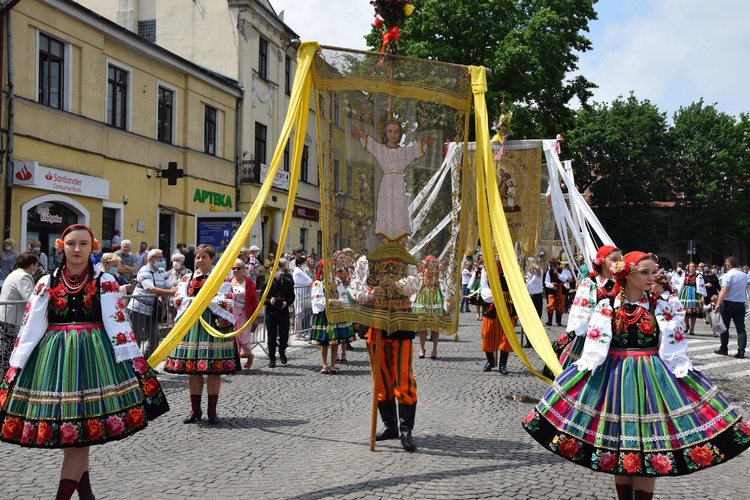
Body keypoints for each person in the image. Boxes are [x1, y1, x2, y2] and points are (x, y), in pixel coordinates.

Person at [522, 251, 750, 500]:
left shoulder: (659, 305)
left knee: (650, 443)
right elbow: (595, 349)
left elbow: (674, 347)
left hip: (652, 375)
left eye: (653, 272)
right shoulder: (607, 306)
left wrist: (685, 373)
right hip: (615, 376)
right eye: (645, 272)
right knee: (621, 444)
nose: (652, 277)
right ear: (627, 274)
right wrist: (579, 374)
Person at [0, 224, 168, 499]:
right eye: (71, 244)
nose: (77, 249)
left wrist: (134, 364)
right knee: (74, 435)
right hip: (55, 361)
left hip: (95, 360)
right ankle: (86, 495)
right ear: (61, 247)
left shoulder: (104, 281)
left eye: (83, 244)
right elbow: (31, 326)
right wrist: (17, 364)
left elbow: (118, 325)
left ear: (93, 248)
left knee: (79, 435)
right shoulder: (47, 282)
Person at [348, 246, 422, 451]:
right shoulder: (366, 260)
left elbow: (417, 284)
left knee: (403, 376)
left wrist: (398, 285)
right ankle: (390, 426)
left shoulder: (407, 259)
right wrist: (370, 292)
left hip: (401, 322)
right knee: (380, 378)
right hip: (375, 322)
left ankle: (406, 430)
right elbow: (354, 287)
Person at [163, 244, 239, 425]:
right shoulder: (187, 278)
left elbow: (227, 300)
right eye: (198, 257)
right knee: (193, 369)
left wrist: (204, 302)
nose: (200, 260)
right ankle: (194, 409)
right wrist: (191, 301)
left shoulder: (221, 278)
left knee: (214, 369)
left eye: (204, 257)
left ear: (213, 259)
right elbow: (178, 298)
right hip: (192, 325)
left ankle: (212, 410)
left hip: (213, 326)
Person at [351, 120, 436, 242]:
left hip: (399, 184)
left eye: (396, 131)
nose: (393, 134)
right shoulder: (382, 150)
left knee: (399, 208)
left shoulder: (403, 152)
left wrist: (424, 142)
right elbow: (372, 145)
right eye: (390, 131)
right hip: (386, 183)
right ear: (385, 133)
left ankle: (399, 238)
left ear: (400, 134)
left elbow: (414, 150)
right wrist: (362, 134)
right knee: (387, 208)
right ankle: (386, 238)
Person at [554, 246, 622, 369]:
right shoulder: (590, 283)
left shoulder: (622, 284)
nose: (618, 263)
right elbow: (581, 313)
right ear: (601, 261)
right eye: (614, 259)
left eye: (619, 259)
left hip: (617, 335)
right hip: (591, 336)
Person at [127, 249, 176, 359]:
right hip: (137, 308)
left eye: (162, 257)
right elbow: (152, 289)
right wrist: (172, 292)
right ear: (151, 259)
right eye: (159, 257)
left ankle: (146, 364)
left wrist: (176, 288)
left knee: (155, 337)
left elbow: (169, 285)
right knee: (136, 338)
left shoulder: (162, 271)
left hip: (152, 309)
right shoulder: (144, 271)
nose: (162, 259)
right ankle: (134, 365)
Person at [309, 259, 355, 374]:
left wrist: (341, 303)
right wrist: (331, 301)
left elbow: (343, 296)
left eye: (330, 267)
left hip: (336, 313)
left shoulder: (337, 281)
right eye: (327, 267)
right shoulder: (318, 283)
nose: (329, 269)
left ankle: (333, 365)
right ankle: (325, 364)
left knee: (335, 341)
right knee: (324, 341)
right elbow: (317, 300)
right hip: (324, 314)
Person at [0, 252, 37, 375]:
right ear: (31, 265)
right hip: (11, 319)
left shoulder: (14, 274)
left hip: (5, 316)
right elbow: (29, 298)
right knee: (8, 351)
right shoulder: (24, 277)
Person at [480, 259, 515, 374]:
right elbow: (484, 289)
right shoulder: (486, 271)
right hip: (491, 307)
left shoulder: (511, 270)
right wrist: (494, 297)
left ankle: (503, 364)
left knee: (506, 336)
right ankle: (490, 361)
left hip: (507, 307)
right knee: (487, 334)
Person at [264, 258, 295, 368]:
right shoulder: (266, 283)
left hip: (283, 312)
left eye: (276, 269)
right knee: (271, 337)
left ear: (280, 269)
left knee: (284, 334)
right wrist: (270, 301)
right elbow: (262, 299)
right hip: (271, 313)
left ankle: (282, 351)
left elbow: (292, 296)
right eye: (272, 269)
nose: (274, 271)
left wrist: (286, 302)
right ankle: (272, 358)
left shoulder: (287, 281)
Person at [714, 256, 747, 359]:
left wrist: (718, 303)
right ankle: (741, 351)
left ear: (728, 265)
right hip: (740, 304)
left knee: (724, 328)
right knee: (741, 328)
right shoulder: (744, 275)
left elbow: (724, 290)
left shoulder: (728, 275)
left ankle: (724, 348)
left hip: (728, 303)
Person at [229, 258, 259, 369]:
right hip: (231, 314)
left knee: (243, 339)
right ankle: (235, 363)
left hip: (245, 313)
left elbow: (254, 300)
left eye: (238, 268)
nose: (235, 270)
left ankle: (250, 355)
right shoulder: (228, 281)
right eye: (233, 268)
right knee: (234, 339)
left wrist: (255, 317)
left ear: (243, 269)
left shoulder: (249, 282)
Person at [413, 255, 444, 360]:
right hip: (424, 298)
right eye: (432, 262)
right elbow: (415, 285)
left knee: (435, 325)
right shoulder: (421, 273)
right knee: (423, 325)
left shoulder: (438, 274)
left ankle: (435, 349)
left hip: (436, 298)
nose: (434, 264)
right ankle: (422, 348)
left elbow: (445, 286)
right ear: (427, 263)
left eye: (435, 262)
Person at [292, 250, 313, 340]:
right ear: (300, 264)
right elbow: (308, 280)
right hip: (299, 294)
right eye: (304, 263)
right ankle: (298, 333)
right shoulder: (298, 271)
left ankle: (300, 332)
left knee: (301, 313)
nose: (305, 264)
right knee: (299, 313)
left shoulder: (301, 270)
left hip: (303, 294)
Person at [677, 262, 702, 335]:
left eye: (693, 266)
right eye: (690, 266)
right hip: (685, 292)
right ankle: (687, 324)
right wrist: (677, 292)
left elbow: (700, 286)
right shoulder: (684, 275)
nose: (692, 268)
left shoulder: (698, 275)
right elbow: (680, 284)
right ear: (688, 267)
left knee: (693, 312)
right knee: (685, 311)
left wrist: (702, 295)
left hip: (694, 292)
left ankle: (692, 329)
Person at [544, 258, 571, 326]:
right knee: (551, 304)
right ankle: (549, 321)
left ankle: (559, 321)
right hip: (552, 290)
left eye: (556, 265)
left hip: (560, 290)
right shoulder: (549, 272)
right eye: (553, 265)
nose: (554, 266)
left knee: (560, 305)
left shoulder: (562, 271)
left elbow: (564, 279)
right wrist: (552, 286)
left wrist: (558, 274)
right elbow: (546, 282)